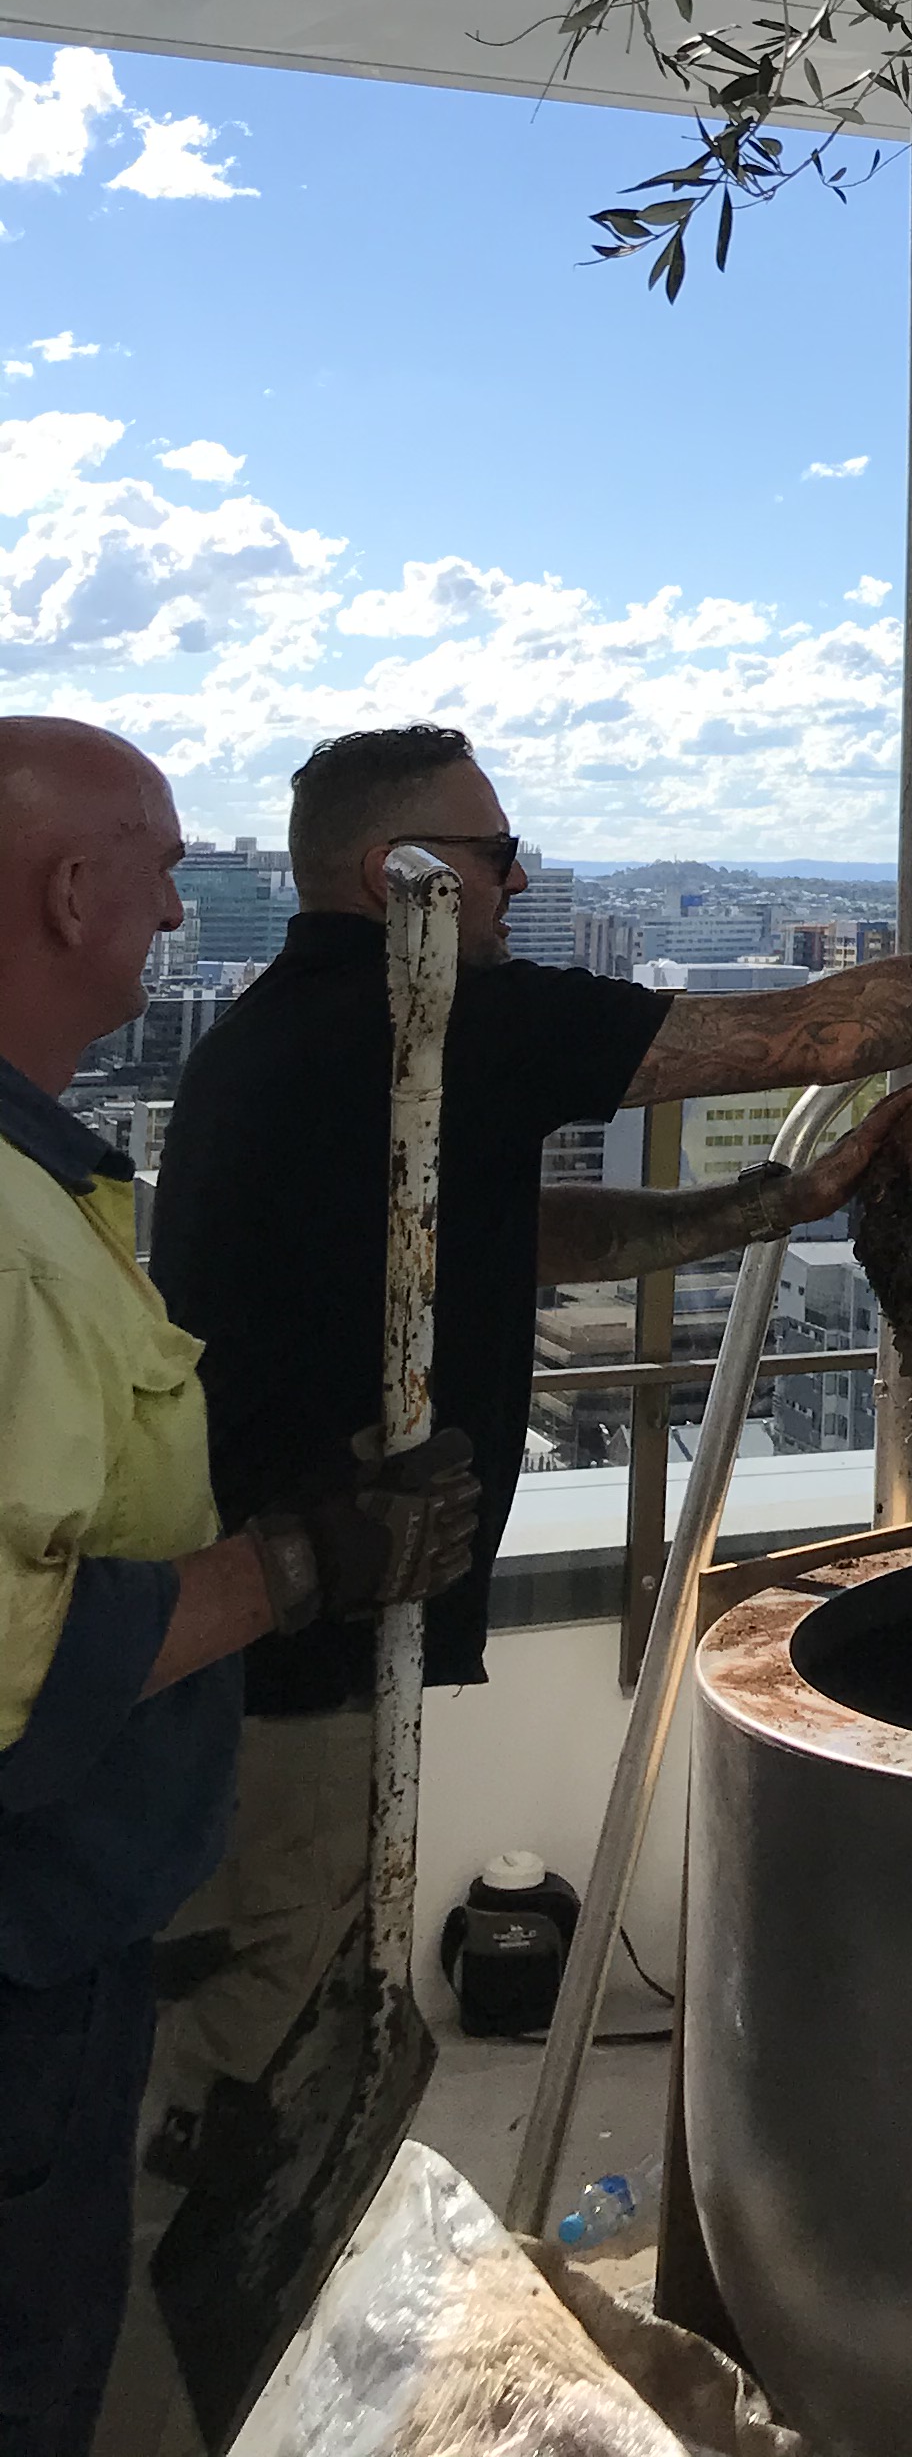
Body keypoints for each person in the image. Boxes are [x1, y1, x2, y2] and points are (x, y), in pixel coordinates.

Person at [138, 721, 912, 2198]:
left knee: (294, 2041)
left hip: (262, 1653)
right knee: (265, 2088)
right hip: (294, 1663)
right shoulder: (424, 1012)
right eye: (497, 856)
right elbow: (803, 1036)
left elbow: (504, 1241)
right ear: (405, 877)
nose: (521, 884)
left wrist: (776, 1202)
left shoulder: (301, 1039)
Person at [0, 718, 477, 2457]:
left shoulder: (49, 1173)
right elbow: (27, 1662)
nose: (183, 918)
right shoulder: (3, 1227)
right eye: (162, 871)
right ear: (69, 892)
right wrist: (302, 1566)